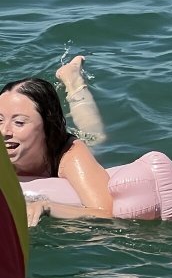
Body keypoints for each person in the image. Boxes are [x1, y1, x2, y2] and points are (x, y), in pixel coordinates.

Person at [1, 65, 113, 227]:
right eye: (0, 120)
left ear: (47, 126)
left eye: (19, 122)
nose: (4, 131)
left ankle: (73, 81)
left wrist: (48, 207)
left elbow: (105, 213)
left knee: (95, 138)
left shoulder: (70, 156)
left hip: (59, 149)